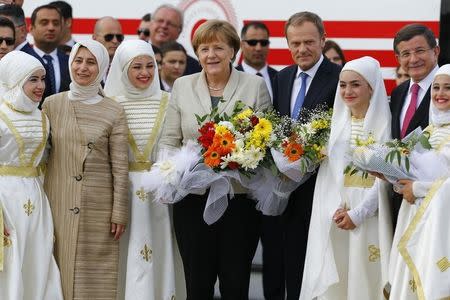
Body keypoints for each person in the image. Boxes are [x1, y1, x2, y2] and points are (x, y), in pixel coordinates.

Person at [159, 19, 271, 299]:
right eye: (204, 48)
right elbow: (168, 140)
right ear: (197, 53)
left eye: (219, 47)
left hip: (239, 202)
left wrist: (239, 156)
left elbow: (267, 141)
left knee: (235, 283)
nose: (211, 55)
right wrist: (170, 176)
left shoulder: (254, 86)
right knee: (197, 283)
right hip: (192, 200)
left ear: (233, 50)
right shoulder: (183, 86)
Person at [300, 56, 393, 300]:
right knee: (339, 282)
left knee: (366, 279)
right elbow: (328, 177)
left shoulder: (386, 124)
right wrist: (339, 209)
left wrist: (358, 213)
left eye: (355, 84)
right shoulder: (335, 125)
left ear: (371, 87)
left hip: (370, 215)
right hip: (337, 215)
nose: (347, 91)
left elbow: (385, 177)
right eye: (343, 85)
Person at [42, 40, 129, 300]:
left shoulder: (114, 110)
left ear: (102, 67)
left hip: (98, 208)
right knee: (56, 272)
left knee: (95, 278)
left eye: (91, 62)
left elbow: (120, 166)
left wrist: (119, 212)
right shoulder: (51, 105)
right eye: (78, 61)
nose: (83, 68)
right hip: (57, 200)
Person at [104, 39, 185, 300]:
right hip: (121, 194)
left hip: (162, 195)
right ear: (122, 69)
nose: (145, 73)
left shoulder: (170, 100)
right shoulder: (108, 103)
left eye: (150, 65)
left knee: (161, 252)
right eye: (136, 66)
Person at [272, 11, 341, 299]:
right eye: (295, 43)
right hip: (289, 191)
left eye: (309, 42)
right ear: (288, 44)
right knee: (294, 266)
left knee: (325, 267)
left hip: (325, 188)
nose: (302, 49)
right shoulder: (282, 77)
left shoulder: (340, 77)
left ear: (323, 40)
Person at [0, 51, 63, 299]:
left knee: (38, 258)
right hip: (5, 198)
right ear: (15, 79)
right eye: (32, 80)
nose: (40, 86)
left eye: (42, 79)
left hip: (36, 198)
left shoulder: (43, 117)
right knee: (11, 259)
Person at [387, 64, 450, 300]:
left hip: (440, 225)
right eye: (436, 88)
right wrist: (394, 177)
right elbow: (411, 172)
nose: (440, 94)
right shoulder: (427, 131)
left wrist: (418, 188)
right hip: (413, 216)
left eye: (448, 88)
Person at [390, 24, 439, 227]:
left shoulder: (446, 88)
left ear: (435, 51)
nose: (413, 59)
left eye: (420, 51)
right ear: (398, 59)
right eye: (406, 54)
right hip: (400, 202)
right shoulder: (398, 93)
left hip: (435, 204)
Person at [29, 4, 71, 102]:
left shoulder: (71, 62)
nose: (51, 28)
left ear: (62, 29)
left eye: (56, 23)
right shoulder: (21, 60)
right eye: (44, 23)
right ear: (31, 29)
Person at [149, 4, 201, 75]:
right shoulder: (134, 56)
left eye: (170, 24)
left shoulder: (194, 68)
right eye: (160, 21)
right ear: (151, 24)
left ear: (179, 30)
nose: (164, 26)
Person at [237, 21, 278, 101]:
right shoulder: (230, 77)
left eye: (263, 43)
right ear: (241, 45)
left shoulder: (280, 78)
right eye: (252, 42)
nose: (258, 48)